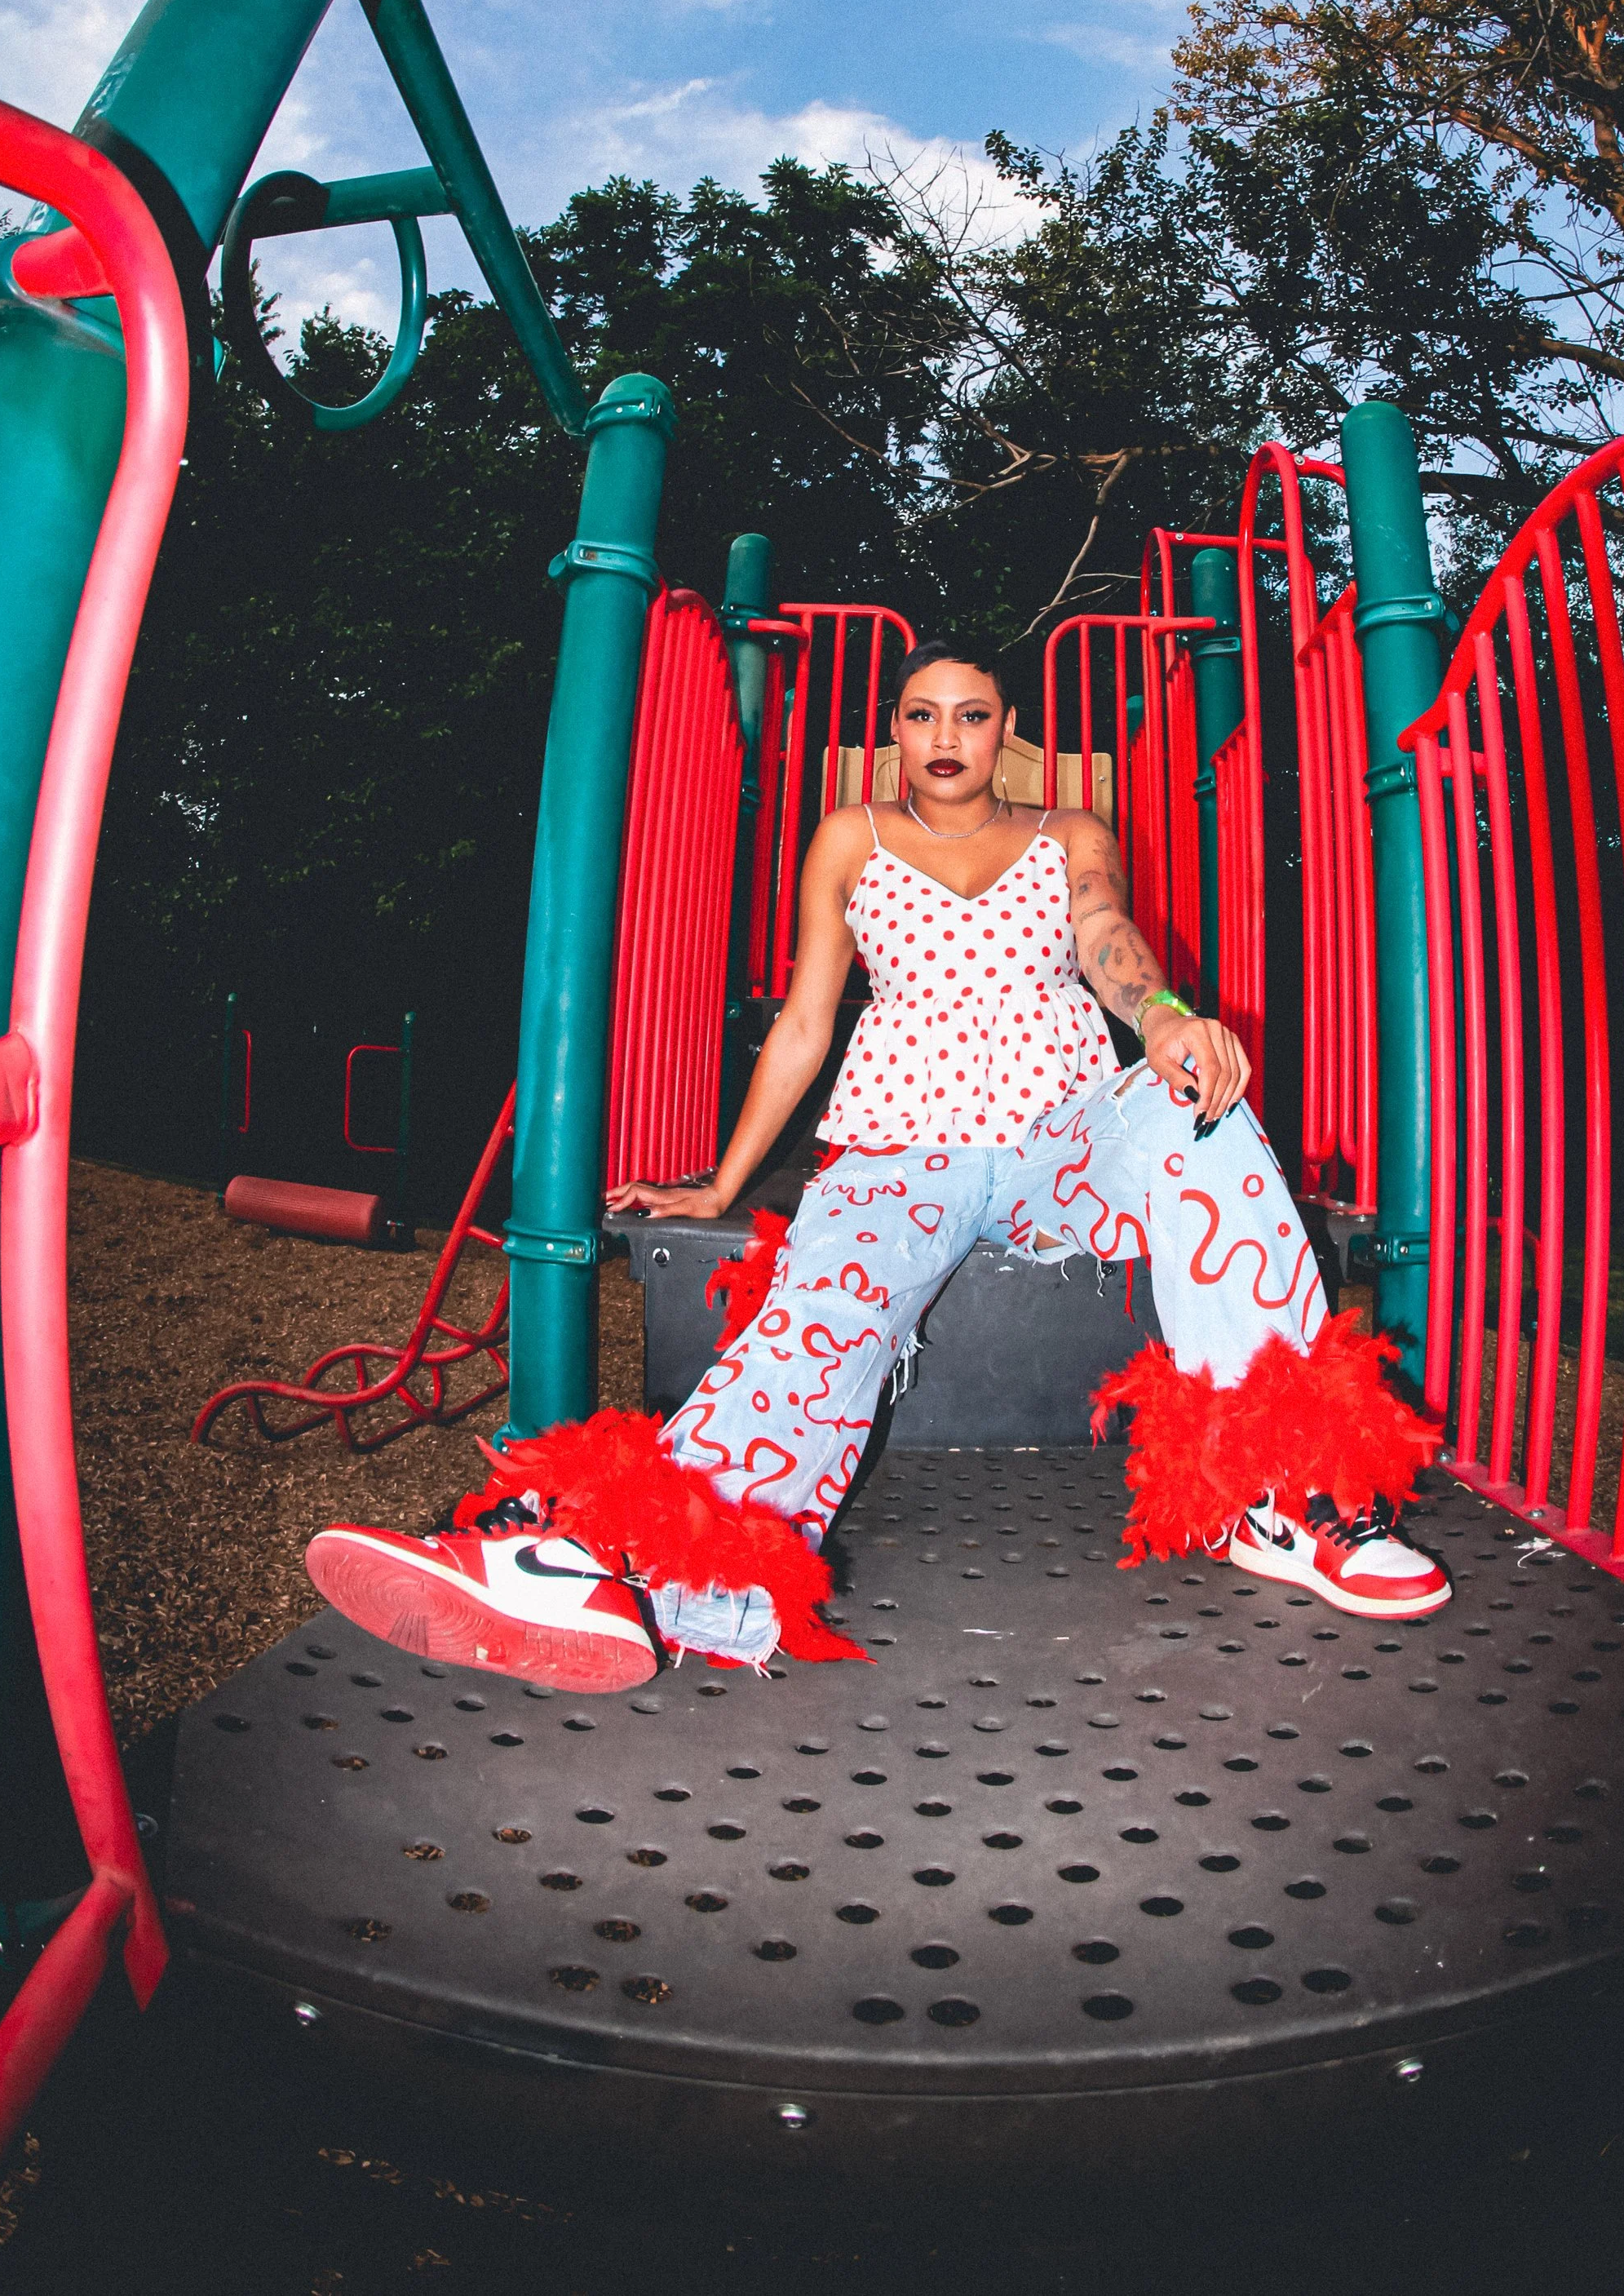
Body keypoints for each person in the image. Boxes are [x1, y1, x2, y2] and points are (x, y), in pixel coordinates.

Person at [307, 644, 1449, 1692]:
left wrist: (1161, 1016)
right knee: (830, 1299)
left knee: (1198, 1101)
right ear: (895, 729)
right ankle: (607, 1559)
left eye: (973, 714)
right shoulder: (851, 835)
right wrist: (719, 1181)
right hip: (906, 1146)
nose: (946, 734)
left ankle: (1288, 1488)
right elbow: (806, 1020)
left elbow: (1106, 937)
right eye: (921, 713)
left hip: (1066, 1139)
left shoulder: (1069, 832)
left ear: (1008, 730)